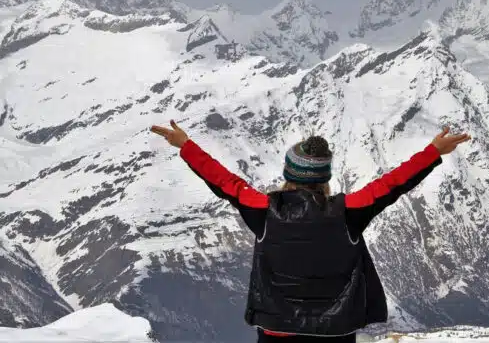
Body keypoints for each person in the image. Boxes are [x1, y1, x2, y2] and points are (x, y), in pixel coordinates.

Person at [150, 120, 470, 342]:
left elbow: (225, 182)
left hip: (277, 331)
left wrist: (186, 145)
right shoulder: (350, 211)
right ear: (324, 178)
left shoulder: (263, 211)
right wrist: (433, 152)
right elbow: (392, 184)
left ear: (289, 173)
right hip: (336, 332)